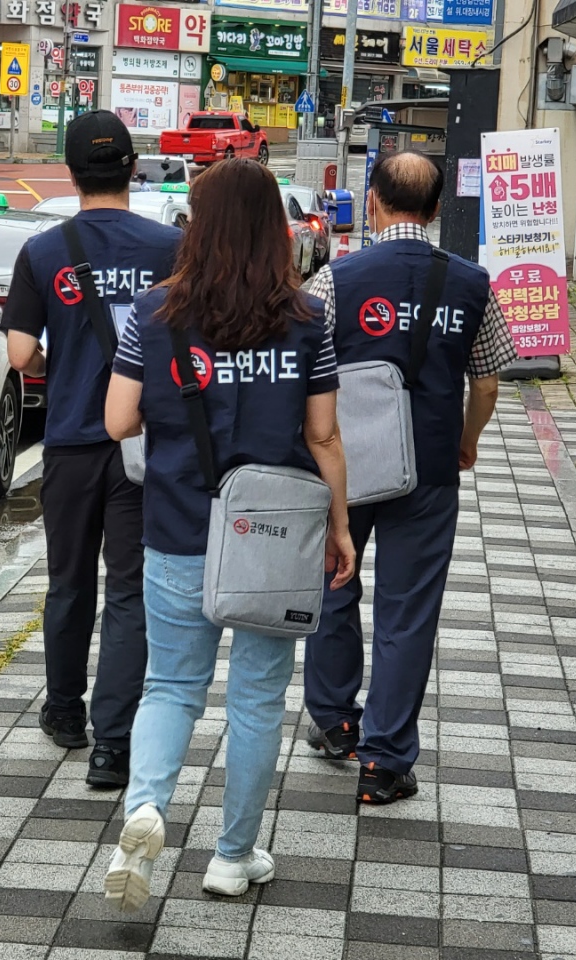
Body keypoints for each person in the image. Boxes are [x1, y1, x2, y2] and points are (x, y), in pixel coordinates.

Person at [102, 157, 354, 910]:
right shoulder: (308, 320)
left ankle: (144, 811)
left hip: (179, 526)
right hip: (275, 538)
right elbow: (325, 437)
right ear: (275, 231)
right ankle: (231, 857)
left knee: (171, 686)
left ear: (198, 228)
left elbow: (118, 421)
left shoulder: (154, 316)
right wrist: (339, 529)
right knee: (255, 701)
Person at [302, 151, 517, 804]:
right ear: (433, 213)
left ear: (373, 202)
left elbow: (308, 367)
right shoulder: (473, 284)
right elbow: (486, 382)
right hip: (426, 467)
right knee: (408, 611)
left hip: (345, 461)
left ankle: (336, 720)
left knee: (334, 581)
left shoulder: (337, 280)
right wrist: (466, 443)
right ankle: (385, 762)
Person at [1, 110, 180, 787]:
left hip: (73, 443)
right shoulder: (170, 247)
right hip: (144, 445)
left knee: (69, 583)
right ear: (133, 169)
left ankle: (65, 712)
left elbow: (20, 353)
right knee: (130, 592)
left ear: (71, 174)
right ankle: (115, 744)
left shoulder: (44, 252)